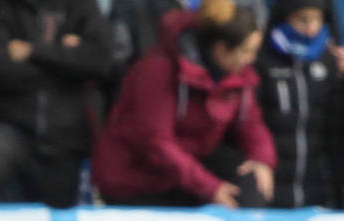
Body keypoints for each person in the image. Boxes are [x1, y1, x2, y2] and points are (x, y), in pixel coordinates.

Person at [93, 0, 276, 208]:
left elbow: (251, 123)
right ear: (220, 49)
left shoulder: (239, 75)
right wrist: (210, 187)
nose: (251, 59)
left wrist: (261, 159)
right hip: (137, 180)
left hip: (186, 172)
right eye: (245, 51)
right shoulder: (157, 70)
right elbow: (156, 143)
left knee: (250, 182)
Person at [0, 0, 114, 208]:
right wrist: (65, 57)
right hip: (9, 125)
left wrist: (34, 51)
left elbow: (101, 60)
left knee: (59, 217)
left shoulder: (81, 5)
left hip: (66, 135)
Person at [255, 0, 344, 207]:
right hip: (272, 190)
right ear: (285, 18)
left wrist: (337, 191)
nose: (311, 28)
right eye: (302, 20)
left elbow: (335, 133)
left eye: (316, 20)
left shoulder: (328, 62)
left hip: (318, 192)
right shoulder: (264, 60)